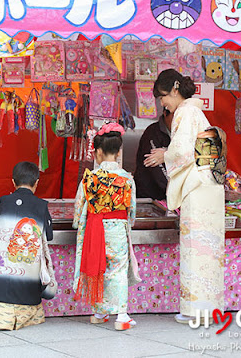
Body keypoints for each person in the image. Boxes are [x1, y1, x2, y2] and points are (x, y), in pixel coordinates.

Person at [147, 69, 225, 324]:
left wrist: (164, 154)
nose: (162, 103)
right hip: (208, 185)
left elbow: (181, 151)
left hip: (198, 188)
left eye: (163, 96)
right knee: (209, 250)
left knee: (196, 249)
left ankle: (196, 310)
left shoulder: (186, 112)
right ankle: (210, 308)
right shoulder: (196, 112)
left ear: (175, 89)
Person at [73, 123, 138, 331]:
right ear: (119, 151)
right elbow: (132, 209)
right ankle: (122, 315)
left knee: (98, 267)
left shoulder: (90, 177)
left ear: (98, 151)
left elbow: (79, 206)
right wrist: (129, 223)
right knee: (117, 269)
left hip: (95, 227)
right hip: (117, 226)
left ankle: (99, 312)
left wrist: (78, 224)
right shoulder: (127, 178)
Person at [0, 161, 56, 331]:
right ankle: (26, 316)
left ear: (13, 182)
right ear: (37, 182)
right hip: (28, 278)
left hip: (0, 280)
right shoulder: (41, 205)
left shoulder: (4, 202)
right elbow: (49, 235)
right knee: (30, 267)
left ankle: (2, 318)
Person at [134, 109, 173, 200]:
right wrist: (174, 191)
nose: (179, 120)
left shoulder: (181, 133)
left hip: (168, 197)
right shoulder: (152, 133)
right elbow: (156, 166)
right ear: (165, 113)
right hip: (149, 196)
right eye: (175, 115)